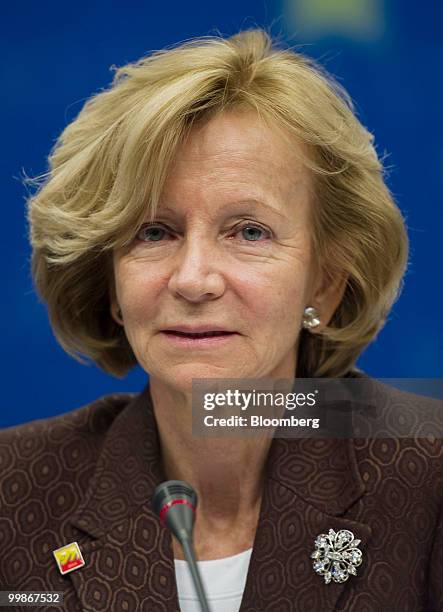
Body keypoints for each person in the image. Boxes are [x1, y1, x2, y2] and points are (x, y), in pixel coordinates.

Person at [1, 28, 441, 612]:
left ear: (325, 283)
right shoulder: (14, 487)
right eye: (154, 232)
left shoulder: (428, 475)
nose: (193, 279)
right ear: (107, 279)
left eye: (249, 231)